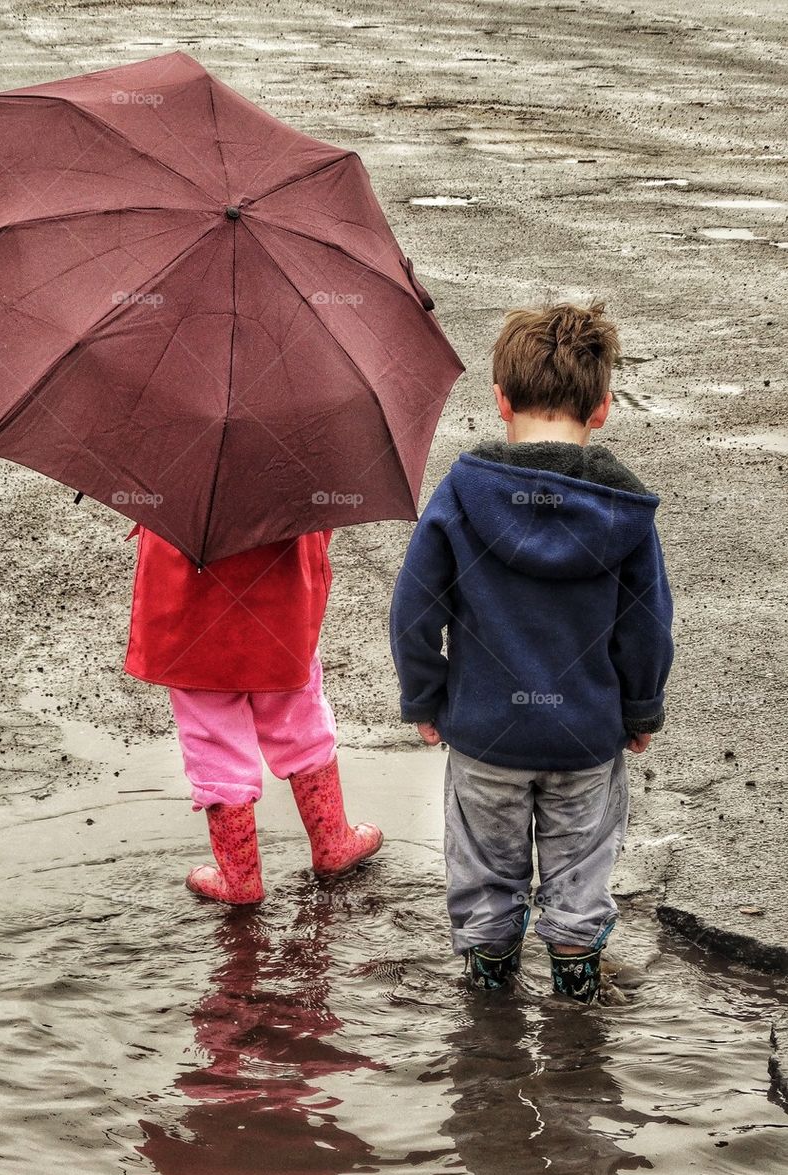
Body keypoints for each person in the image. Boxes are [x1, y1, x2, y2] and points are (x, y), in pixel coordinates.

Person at [389, 300, 674, 1002]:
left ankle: (490, 995)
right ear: (602, 408)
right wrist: (640, 710)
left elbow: (415, 613)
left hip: (486, 737)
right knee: (582, 869)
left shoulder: (460, 497)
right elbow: (647, 627)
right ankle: (575, 992)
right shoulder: (624, 514)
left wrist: (425, 697)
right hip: (585, 736)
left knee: (485, 870)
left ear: (500, 400)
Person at [122, 526, 382, 903]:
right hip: (280, 597)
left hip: (192, 610)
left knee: (212, 735)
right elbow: (322, 517)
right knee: (297, 713)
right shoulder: (295, 467)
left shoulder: (176, 481)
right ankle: (332, 842)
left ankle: (240, 880)